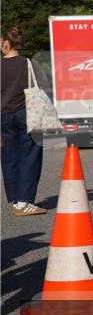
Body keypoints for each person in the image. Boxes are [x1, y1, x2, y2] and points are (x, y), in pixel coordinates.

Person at [1, 26, 48, 215]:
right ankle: (25, 201)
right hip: (27, 113)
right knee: (30, 155)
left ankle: (15, 200)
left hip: (4, 116)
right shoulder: (29, 64)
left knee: (9, 157)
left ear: (6, 43)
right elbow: (44, 86)